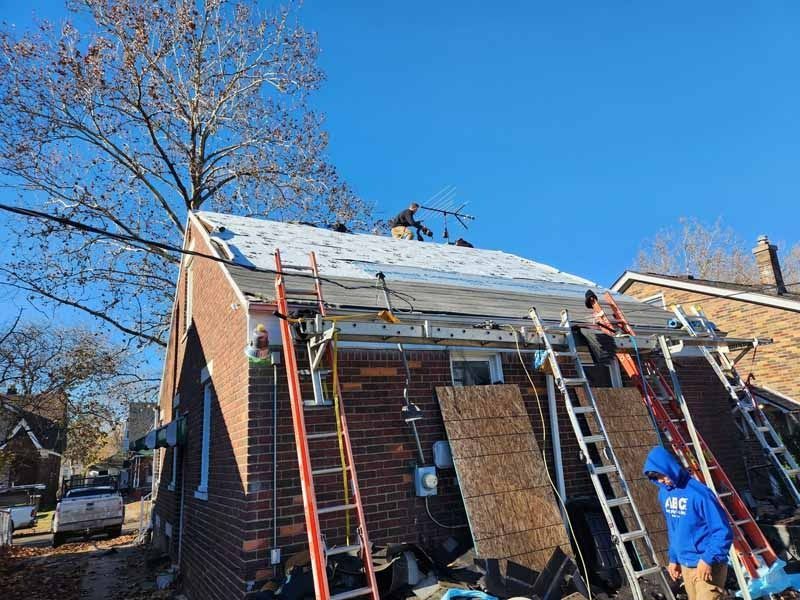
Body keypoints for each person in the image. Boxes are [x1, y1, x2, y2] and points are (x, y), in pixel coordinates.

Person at [643, 446, 733, 600]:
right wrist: (673, 558)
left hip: (707, 564)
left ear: (670, 467)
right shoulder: (664, 494)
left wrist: (708, 559)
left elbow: (722, 531)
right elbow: (674, 528)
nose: (662, 481)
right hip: (686, 565)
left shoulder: (699, 493)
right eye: (656, 478)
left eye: (663, 476)